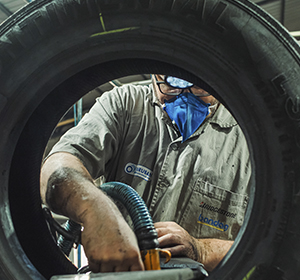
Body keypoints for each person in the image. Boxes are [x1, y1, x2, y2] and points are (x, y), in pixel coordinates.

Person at [40, 74, 251, 273]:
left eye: (198, 85)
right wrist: (96, 212)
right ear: (154, 74)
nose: (185, 95)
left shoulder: (252, 136)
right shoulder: (125, 104)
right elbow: (58, 166)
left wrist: (202, 250)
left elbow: (274, 245)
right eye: (171, 84)